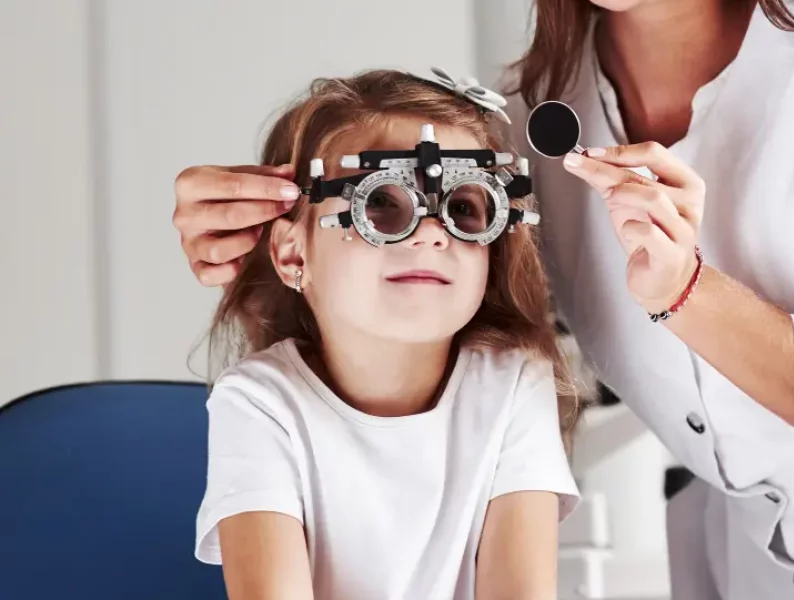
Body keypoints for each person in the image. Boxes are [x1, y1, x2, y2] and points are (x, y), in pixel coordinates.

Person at [174, 1, 794, 598]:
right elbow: (436, 313)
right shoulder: (536, 122)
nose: (429, 229)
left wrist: (692, 294)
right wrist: (267, 237)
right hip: (752, 558)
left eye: (451, 208)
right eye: (394, 210)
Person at [190, 69, 580, 600]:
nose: (430, 232)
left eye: (463, 208)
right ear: (292, 253)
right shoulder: (260, 403)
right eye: (380, 203)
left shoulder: (513, 385)